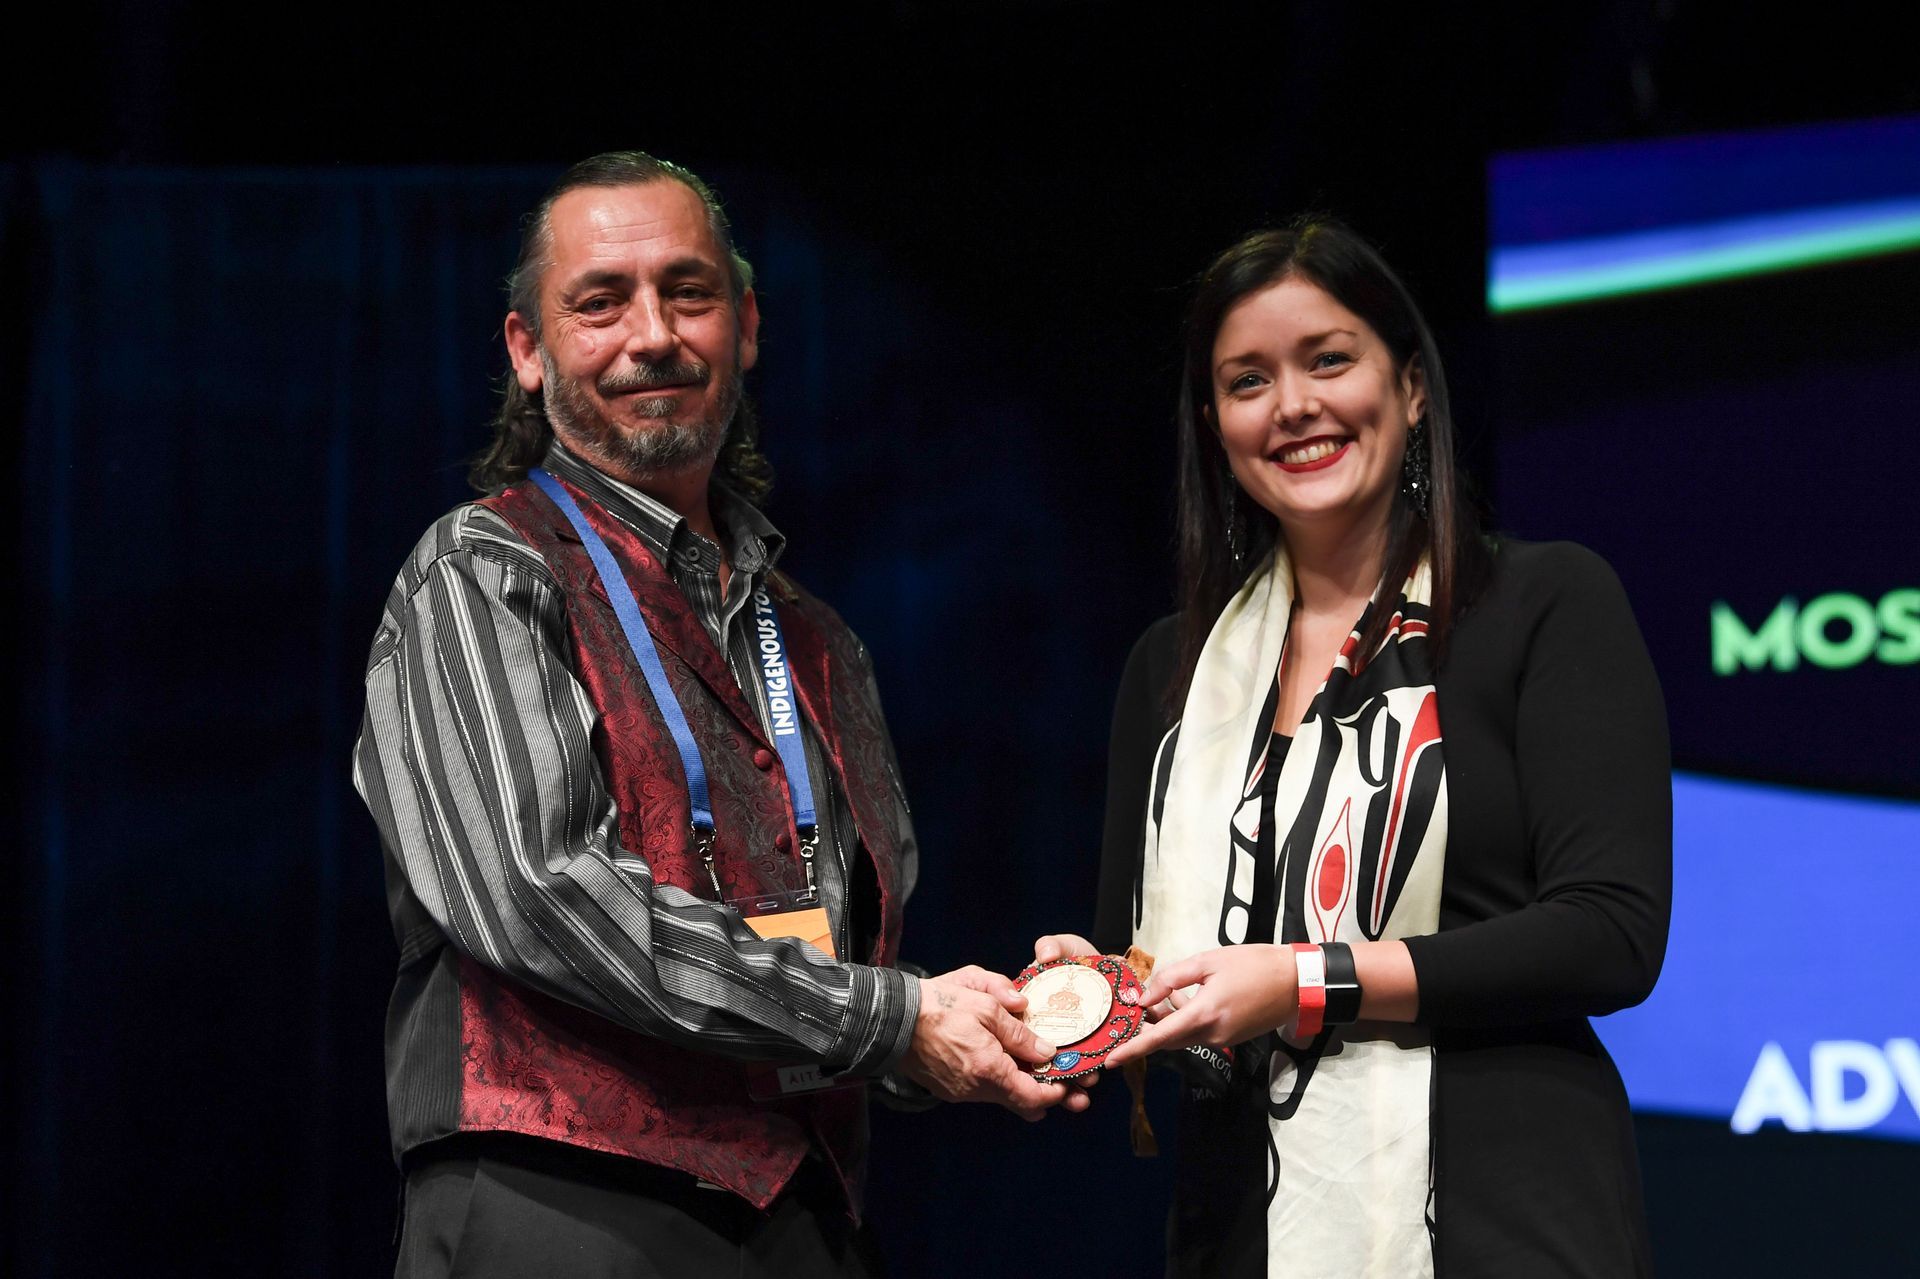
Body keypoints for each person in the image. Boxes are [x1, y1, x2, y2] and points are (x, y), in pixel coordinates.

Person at [354, 150, 1084, 1279]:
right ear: (528, 352)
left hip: (802, 1221)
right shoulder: (482, 572)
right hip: (562, 1213)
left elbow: (846, 965)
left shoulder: (818, 641)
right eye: (600, 303)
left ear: (744, 325)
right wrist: (892, 1020)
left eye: (687, 293)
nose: (652, 334)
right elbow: (545, 898)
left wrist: (980, 1030)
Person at [1035, 220, 1670, 1277]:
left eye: (1329, 360)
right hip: (1240, 1227)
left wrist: (1307, 978)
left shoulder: (1544, 603)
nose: (1293, 406)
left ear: (1411, 388)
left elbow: (1610, 933)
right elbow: (1153, 963)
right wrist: (1092, 988)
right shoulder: (1170, 667)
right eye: (1249, 380)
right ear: (1215, 423)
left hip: (1501, 1221)